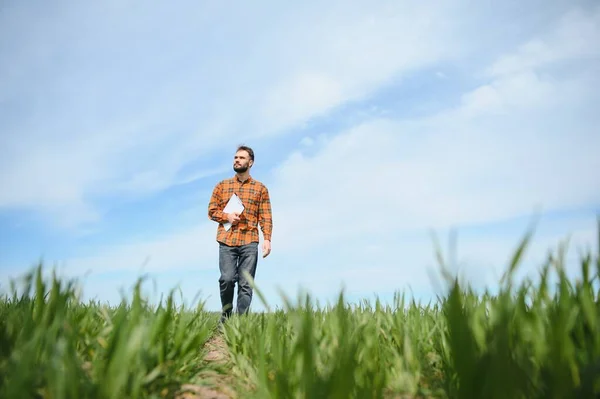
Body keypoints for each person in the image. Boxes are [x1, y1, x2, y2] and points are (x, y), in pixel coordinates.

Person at [207, 145, 273, 323]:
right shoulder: (222, 186)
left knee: (246, 284)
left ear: (250, 163)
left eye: (241, 158)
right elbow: (212, 210)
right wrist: (226, 215)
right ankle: (226, 316)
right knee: (227, 280)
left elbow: (265, 215)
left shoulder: (260, 189)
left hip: (249, 240)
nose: (237, 160)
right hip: (227, 240)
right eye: (235, 157)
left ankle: (241, 324)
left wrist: (267, 238)